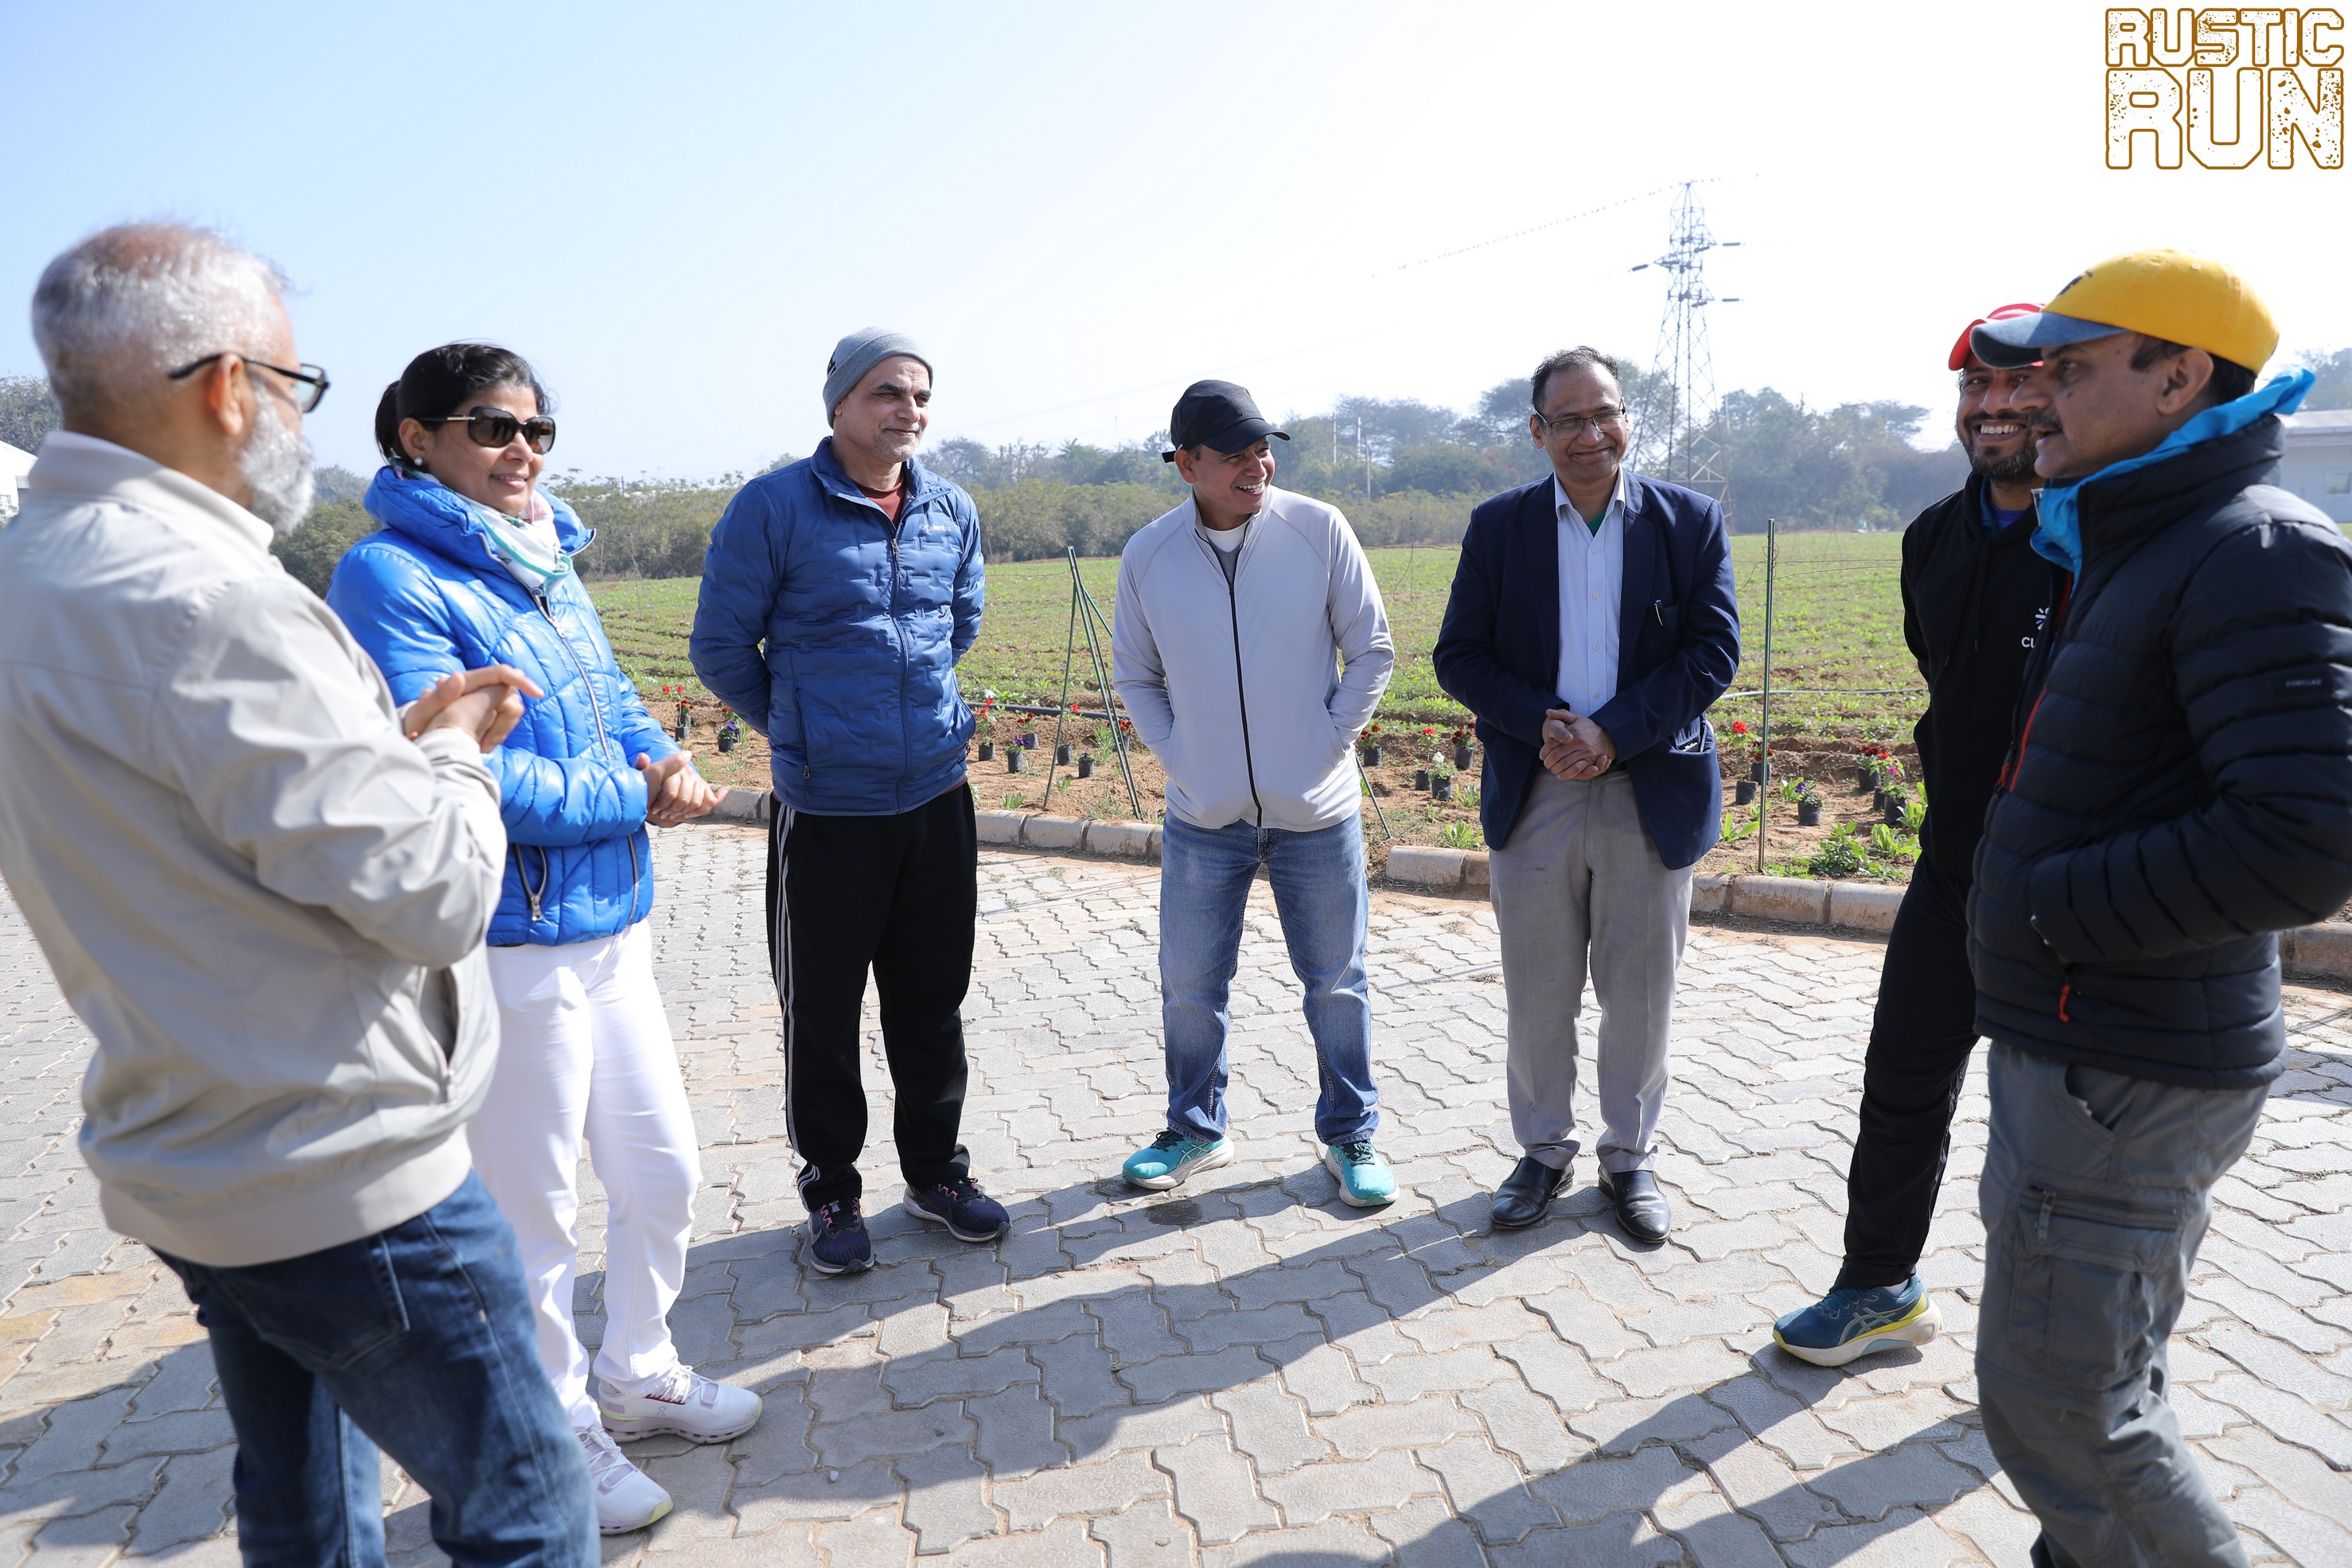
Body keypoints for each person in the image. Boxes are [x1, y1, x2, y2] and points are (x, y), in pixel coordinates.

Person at [0, 224, 594, 1566]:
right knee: (525, 1506)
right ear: (226, 388)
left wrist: (384, 754)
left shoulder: (35, 573)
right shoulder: (213, 601)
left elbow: (201, 819)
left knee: (304, 1500)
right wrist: (455, 754)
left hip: (189, 1143)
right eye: (293, 382)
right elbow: (435, 895)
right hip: (343, 1169)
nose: (296, 417)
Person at [327, 344, 757, 1532]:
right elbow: (457, 764)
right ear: (417, 438)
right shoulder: (389, 575)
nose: (522, 449)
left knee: (663, 1171)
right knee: (534, 1211)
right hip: (507, 940)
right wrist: (636, 797)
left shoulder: (546, 554)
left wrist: (661, 757)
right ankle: (550, 1428)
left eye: (537, 428)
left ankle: (639, 1372)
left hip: (609, 925)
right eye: (491, 425)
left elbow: (609, 697)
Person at [1965, 251, 2352, 1567]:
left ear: (2179, 377)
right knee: (2086, 1376)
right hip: (2090, 1042)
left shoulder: (2251, 551)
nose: (2038, 398)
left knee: (2071, 1408)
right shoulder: (2146, 535)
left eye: (2071, 369)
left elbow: (2303, 842)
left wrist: (2052, 908)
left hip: (2124, 1060)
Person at [1771, 306, 2068, 1366]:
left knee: (2056, 1131)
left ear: (2064, 393)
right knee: (1901, 1083)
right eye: (1976, 389)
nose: (1994, 407)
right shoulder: (1931, 538)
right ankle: (1878, 1286)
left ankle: (2057, 1352)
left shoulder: (2100, 542)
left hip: (2067, 894)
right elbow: (1943, 675)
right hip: (1950, 874)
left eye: (2020, 384)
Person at [692, 329, 1001, 1277]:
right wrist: (805, 730)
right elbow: (719, 646)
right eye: (886, 393)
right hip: (828, 808)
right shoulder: (774, 508)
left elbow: (960, 623)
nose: (908, 411)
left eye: (920, 396)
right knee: (822, 1011)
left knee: (931, 999)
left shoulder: (950, 508)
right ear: (838, 405)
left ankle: (936, 1175)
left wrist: (913, 720)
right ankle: (831, 1188)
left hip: (936, 794)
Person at [1432, 347, 1739, 1243]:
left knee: (1639, 991)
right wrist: (1549, 728)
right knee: (1539, 988)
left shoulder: (1688, 522)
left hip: (1649, 786)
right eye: (1567, 419)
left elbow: (1712, 652)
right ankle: (1542, 1151)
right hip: (1539, 788)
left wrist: (1613, 732)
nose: (1589, 434)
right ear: (1538, 432)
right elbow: (1460, 656)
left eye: (1603, 413)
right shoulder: (1500, 527)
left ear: (1626, 419)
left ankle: (1629, 1157)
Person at [1111, 380, 1399, 1207]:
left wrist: (1325, 744)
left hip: (1317, 811)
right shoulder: (1149, 555)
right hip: (1204, 815)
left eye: (1263, 449)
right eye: (1234, 454)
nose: (1257, 466)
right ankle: (1195, 1128)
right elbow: (1136, 674)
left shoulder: (1318, 530)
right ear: (1187, 464)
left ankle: (1351, 1134)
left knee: (1336, 983)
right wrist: (1183, 759)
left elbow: (1371, 651)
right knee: (1190, 987)